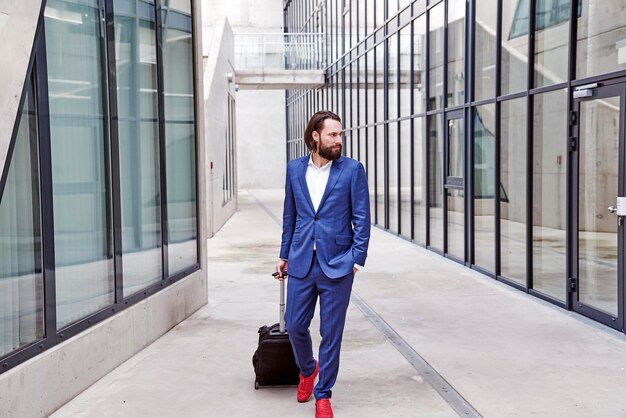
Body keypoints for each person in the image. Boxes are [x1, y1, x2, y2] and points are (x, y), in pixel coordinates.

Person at [275, 110, 371, 418]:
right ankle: (307, 369)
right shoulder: (294, 170)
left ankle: (323, 394)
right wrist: (284, 256)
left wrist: (356, 260)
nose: (339, 140)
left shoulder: (352, 170)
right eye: (333, 135)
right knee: (295, 324)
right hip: (302, 261)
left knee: (331, 332)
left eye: (340, 134)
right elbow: (291, 217)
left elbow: (362, 218)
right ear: (315, 136)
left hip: (338, 264)